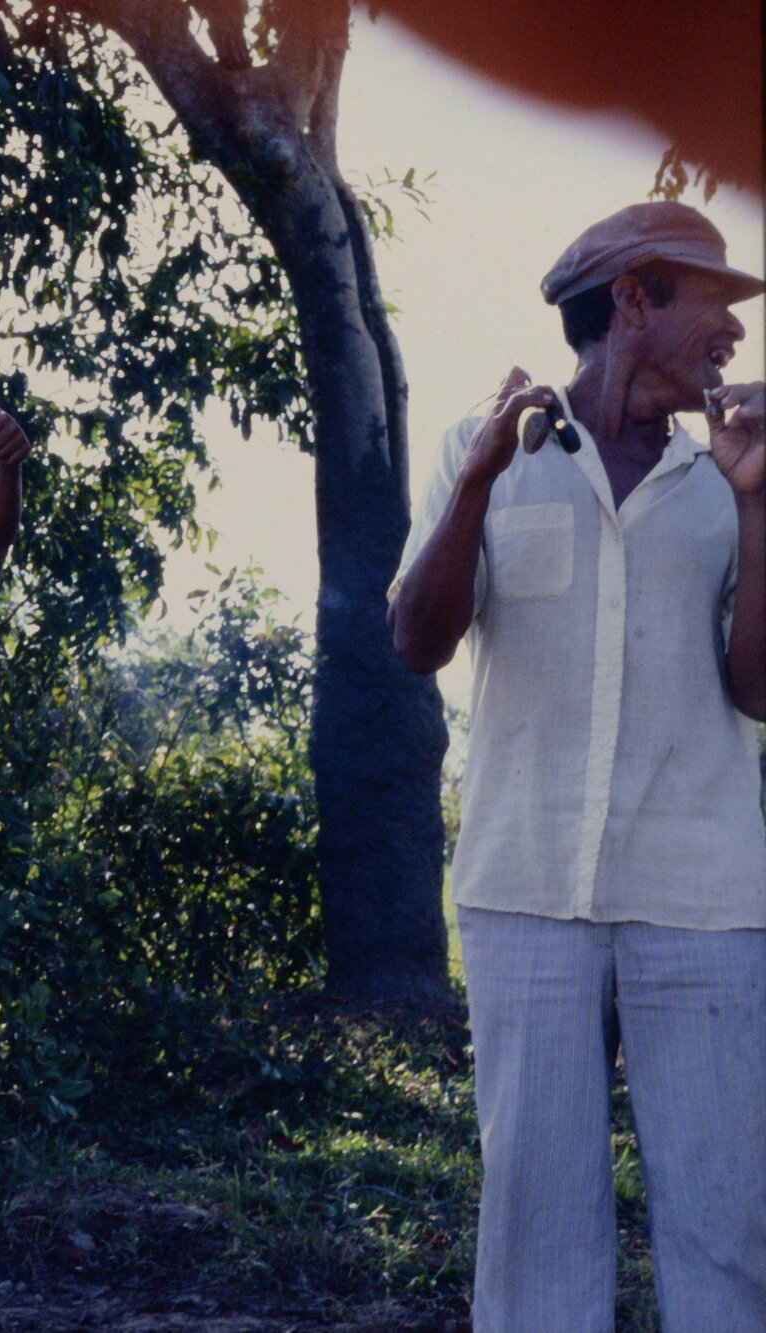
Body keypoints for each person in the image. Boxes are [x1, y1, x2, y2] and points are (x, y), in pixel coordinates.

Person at [388, 201, 766, 1332]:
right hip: (522, 888)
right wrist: (473, 484)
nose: (734, 334)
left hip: (700, 897)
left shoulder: (724, 481)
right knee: (534, 1219)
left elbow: (758, 691)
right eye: (715, 303)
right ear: (633, 300)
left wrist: (758, 507)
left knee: (721, 1218)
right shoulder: (482, 450)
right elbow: (414, 641)